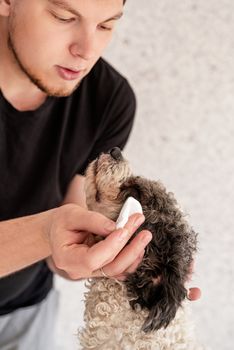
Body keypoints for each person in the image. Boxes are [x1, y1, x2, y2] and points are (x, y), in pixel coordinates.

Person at [0, 0, 201, 349]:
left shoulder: (109, 99)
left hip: (29, 313)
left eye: (107, 25)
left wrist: (113, 259)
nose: (86, 51)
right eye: (64, 17)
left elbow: (65, 249)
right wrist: (47, 232)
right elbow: (54, 234)